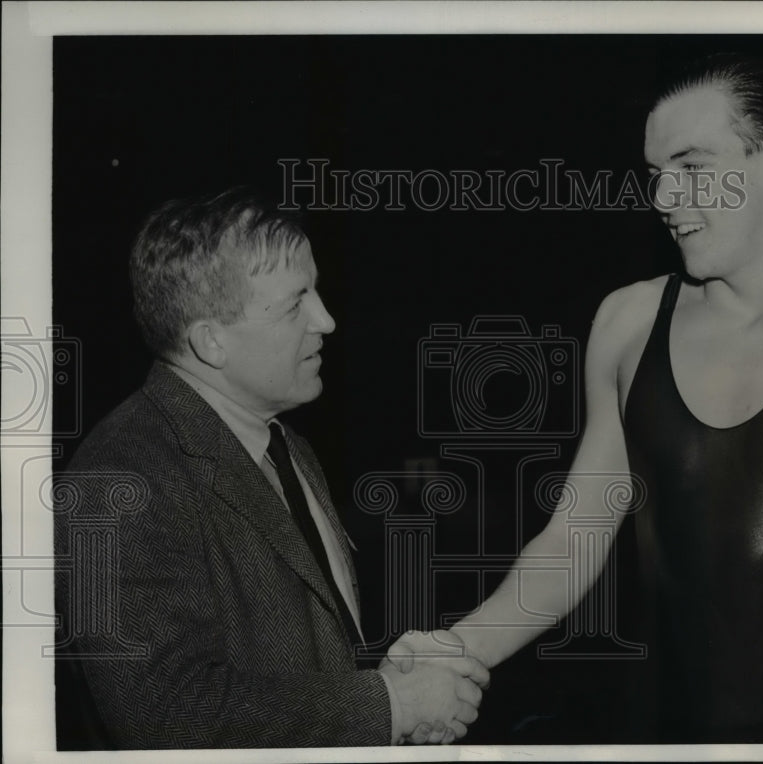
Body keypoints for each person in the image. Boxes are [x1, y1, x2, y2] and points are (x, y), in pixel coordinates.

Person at [386, 54, 763, 743]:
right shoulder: (627, 322)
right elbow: (576, 537)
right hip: (654, 739)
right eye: (657, 175)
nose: (664, 198)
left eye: (692, 168)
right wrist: (461, 648)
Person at [53, 188, 487, 748]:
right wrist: (390, 703)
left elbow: (293, 662)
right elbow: (162, 712)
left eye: (317, 290)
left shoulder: (282, 442)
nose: (326, 320)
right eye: (294, 304)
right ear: (211, 342)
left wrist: (382, 673)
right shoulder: (119, 478)